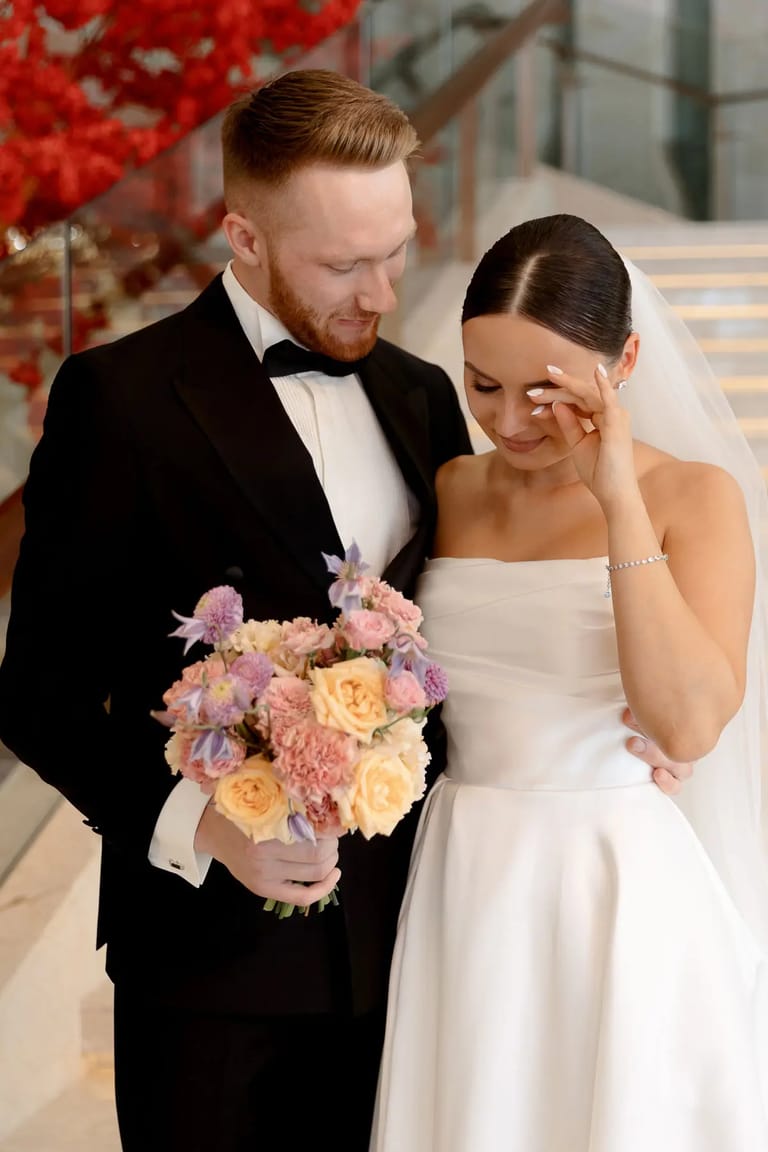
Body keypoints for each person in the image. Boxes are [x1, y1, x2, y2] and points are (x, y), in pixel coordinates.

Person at [0, 74, 687, 1151]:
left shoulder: (423, 397)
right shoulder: (119, 401)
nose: (379, 292)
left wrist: (620, 728)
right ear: (245, 235)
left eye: (397, 251)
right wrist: (206, 827)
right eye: (342, 264)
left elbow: (464, 636)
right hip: (206, 971)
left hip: (422, 954)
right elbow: (36, 695)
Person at [370, 213, 768, 1152]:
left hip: (616, 880)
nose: (510, 423)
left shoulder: (696, 498)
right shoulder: (452, 491)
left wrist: (618, 495)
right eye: (484, 386)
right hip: (465, 872)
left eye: (544, 391)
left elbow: (687, 727)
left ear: (623, 361)